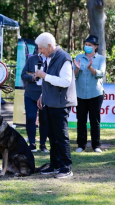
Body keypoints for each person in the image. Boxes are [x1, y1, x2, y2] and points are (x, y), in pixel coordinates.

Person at [35, 32, 77, 179]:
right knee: (52, 136)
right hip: (50, 102)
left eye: (41, 48)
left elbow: (65, 81)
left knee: (61, 136)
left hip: (60, 103)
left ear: (50, 46)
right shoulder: (49, 57)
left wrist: (43, 75)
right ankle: (55, 165)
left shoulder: (64, 58)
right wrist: (42, 95)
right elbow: (49, 81)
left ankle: (66, 167)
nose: (40, 51)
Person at [73, 35, 106, 153]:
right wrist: (76, 68)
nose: (87, 46)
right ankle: (81, 145)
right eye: (86, 44)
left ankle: (96, 145)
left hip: (95, 93)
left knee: (94, 120)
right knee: (81, 120)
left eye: (90, 45)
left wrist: (90, 68)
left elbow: (100, 74)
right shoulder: (78, 57)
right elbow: (74, 75)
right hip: (80, 93)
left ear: (95, 47)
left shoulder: (101, 58)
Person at [21, 50, 49, 153]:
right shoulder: (31, 59)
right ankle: (32, 144)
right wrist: (32, 77)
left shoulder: (51, 59)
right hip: (30, 94)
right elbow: (23, 75)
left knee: (44, 120)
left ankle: (43, 144)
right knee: (30, 118)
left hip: (45, 94)